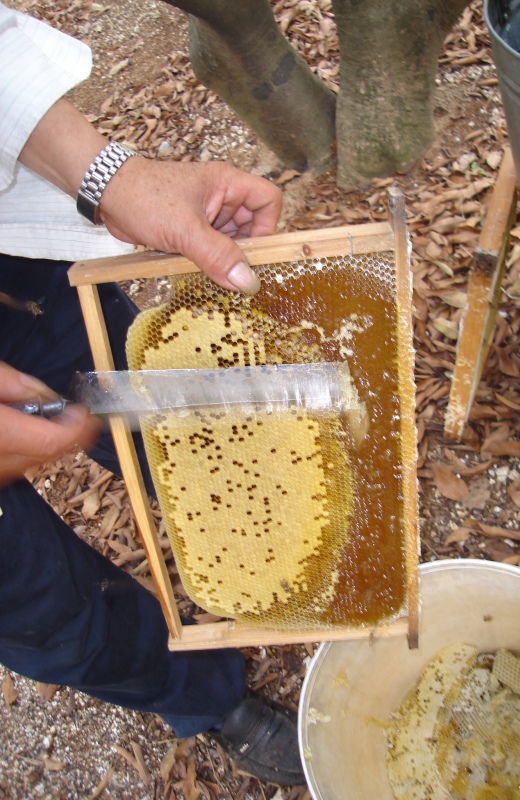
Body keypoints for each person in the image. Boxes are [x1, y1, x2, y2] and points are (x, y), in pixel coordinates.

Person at [0, 1, 305, 787]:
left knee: (162, 419)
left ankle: (246, 533)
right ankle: (207, 698)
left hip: (11, 273)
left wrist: (109, 175)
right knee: (48, 610)